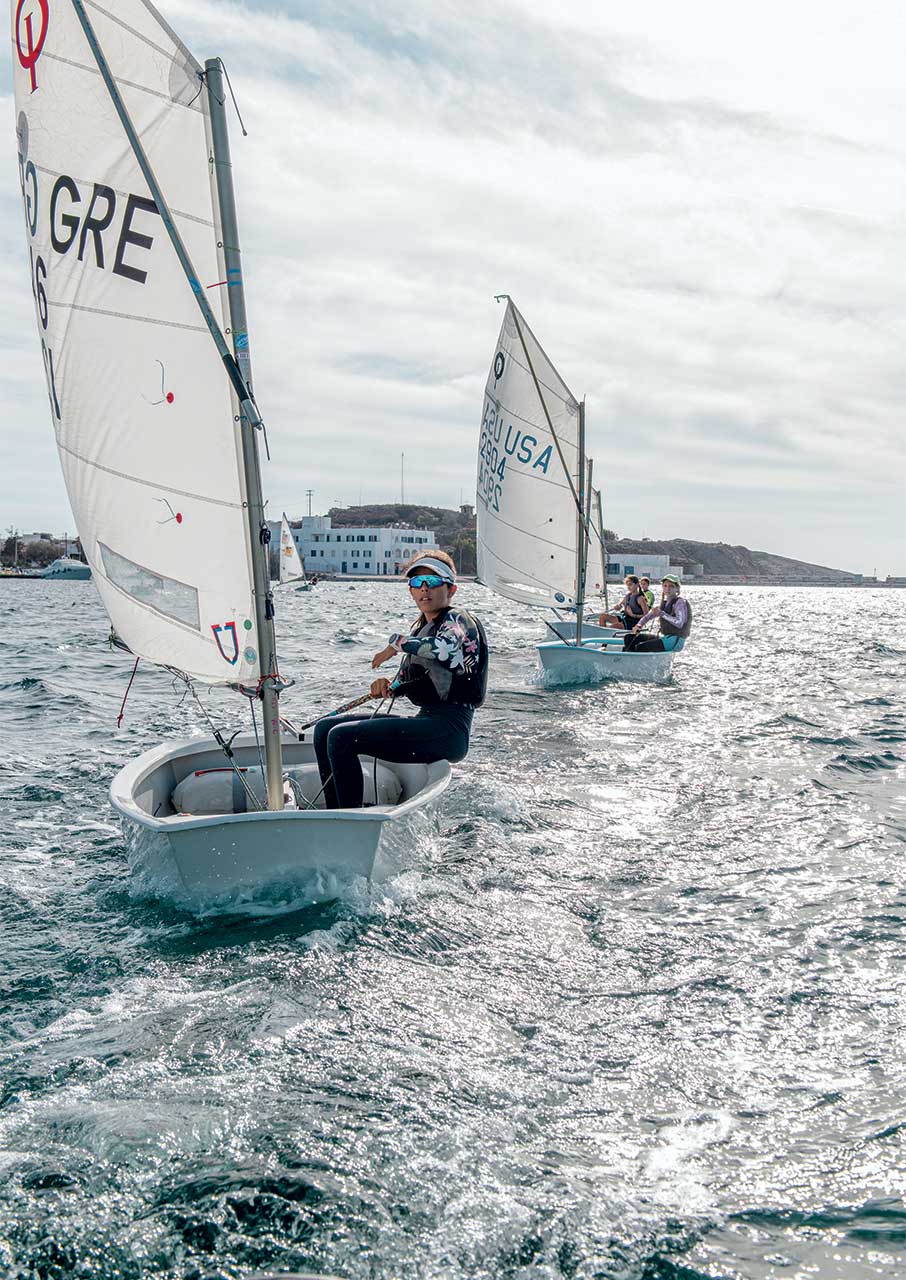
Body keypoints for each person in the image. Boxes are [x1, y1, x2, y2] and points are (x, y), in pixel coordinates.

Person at [312, 552, 488, 808]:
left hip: (450, 729)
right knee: (325, 729)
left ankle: (350, 821)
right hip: (427, 720)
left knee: (341, 738)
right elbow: (406, 681)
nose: (424, 588)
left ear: (451, 589)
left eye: (432, 581)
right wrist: (387, 687)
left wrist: (396, 644)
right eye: (417, 583)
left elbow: (445, 649)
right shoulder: (421, 629)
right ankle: (334, 811)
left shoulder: (458, 619)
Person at [623, 574, 692, 653]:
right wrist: (638, 625)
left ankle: (633, 659)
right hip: (666, 638)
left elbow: (679, 623)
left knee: (641, 647)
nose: (667, 589)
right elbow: (647, 617)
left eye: (671, 586)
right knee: (629, 638)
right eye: (665, 586)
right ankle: (628, 658)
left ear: (677, 589)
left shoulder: (680, 602)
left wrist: (662, 614)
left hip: (675, 640)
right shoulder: (664, 603)